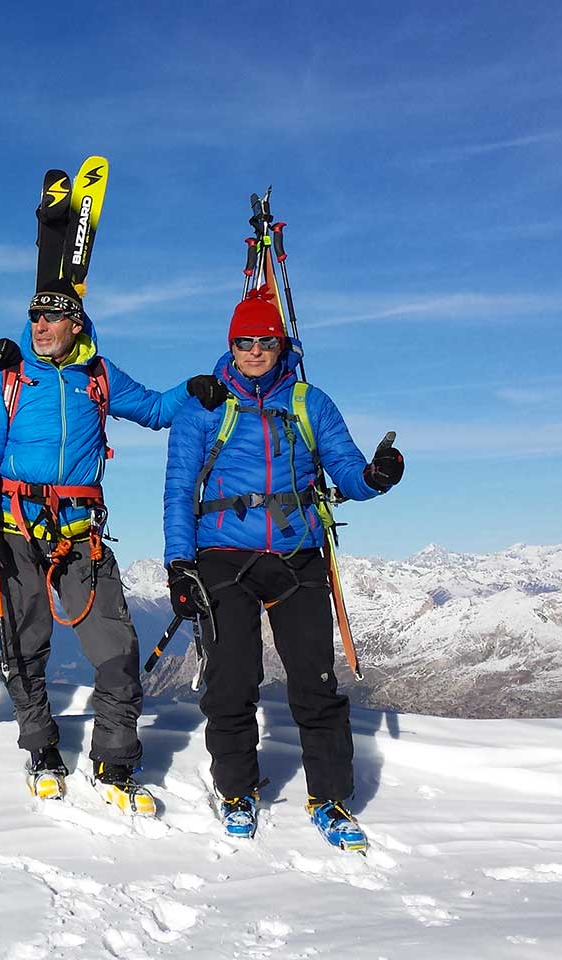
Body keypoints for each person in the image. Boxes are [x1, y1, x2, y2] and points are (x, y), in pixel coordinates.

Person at [162, 286, 405, 848]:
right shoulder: (203, 406)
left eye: (263, 341)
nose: (253, 351)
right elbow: (178, 492)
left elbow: (345, 470)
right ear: (231, 345)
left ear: (280, 344)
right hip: (223, 553)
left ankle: (330, 799)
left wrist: (374, 478)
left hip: (298, 553)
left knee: (316, 683)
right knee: (231, 680)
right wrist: (179, 564)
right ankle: (237, 789)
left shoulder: (309, 402)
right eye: (243, 342)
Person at [0, 280, 197, 813]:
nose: (40, 327)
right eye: (34, 317)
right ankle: (42, 749)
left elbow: (158, 410)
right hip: (15, 529)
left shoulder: (100, 376)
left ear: (76, 325)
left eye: (52, 318)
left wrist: (198, 387)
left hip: (80, 535)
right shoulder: (9, 378)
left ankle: (114, 759)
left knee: (117, 649)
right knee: (23, 646)